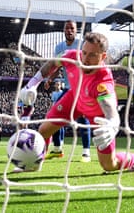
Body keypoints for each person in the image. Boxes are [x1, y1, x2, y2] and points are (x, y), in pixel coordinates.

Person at [20, 32, 134, 172]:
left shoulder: (103, 81)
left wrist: (112, 125)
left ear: (103, 57)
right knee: (44, 130)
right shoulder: (71, 57)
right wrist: (33, 83)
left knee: (108, 165)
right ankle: (35, 163)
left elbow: (110, 108)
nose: (85, 59)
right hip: (74, 99)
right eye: (84, 52)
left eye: (92, 55)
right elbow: (53, 62)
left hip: (97, 114)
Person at [43, 20, 92, 163]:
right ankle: (57, 149)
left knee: (83, 119)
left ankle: (86, 152)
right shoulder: (59, 47)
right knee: (55, 117)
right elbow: (57, 66)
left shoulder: (82, 45)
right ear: (64, 31)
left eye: (72, 28)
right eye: (67, 28)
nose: (69, 30)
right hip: (68, 88)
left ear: (76, 31)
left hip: (82, 88)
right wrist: (50, 79)